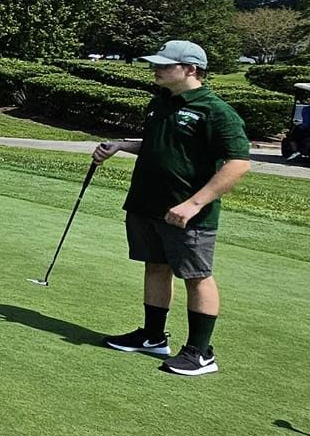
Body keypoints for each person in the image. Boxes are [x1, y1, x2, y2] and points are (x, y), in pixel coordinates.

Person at [95, 40, 252, 378]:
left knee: (197, 277)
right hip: (147, 204)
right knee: (155, 266)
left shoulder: (215, 111)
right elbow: (158, 146)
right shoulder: (160, 102)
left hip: (188, 211)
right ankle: (152, 337)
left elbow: (238, 163)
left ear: (190, 70)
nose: (157, 70)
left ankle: (200, 353)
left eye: (165, 65)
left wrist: (194, 203)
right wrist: (120, 145)